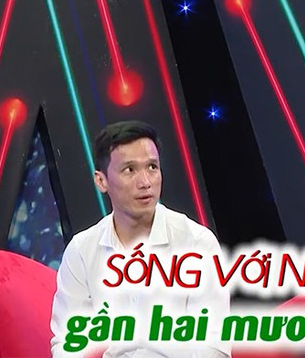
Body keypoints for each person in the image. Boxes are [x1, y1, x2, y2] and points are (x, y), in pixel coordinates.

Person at [50, 120, 230, 358]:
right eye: (130, 170)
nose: (145, 182)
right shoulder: (81, 251)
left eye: (152, 167)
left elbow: (214, 347)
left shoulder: (197, 243)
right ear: (101, 181)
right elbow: (65, 343)